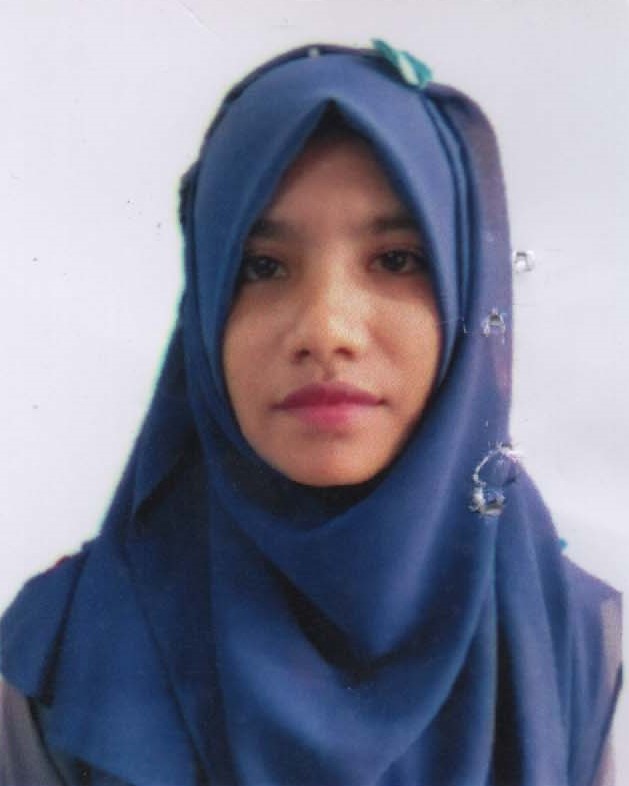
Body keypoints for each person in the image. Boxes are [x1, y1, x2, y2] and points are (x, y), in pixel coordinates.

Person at [0, 41, 622, 786]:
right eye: (262, 267)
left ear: (468, 293)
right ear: (205, 309)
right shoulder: (60, 658)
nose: (326, 329)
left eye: (396, 259)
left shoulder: (579, 648)